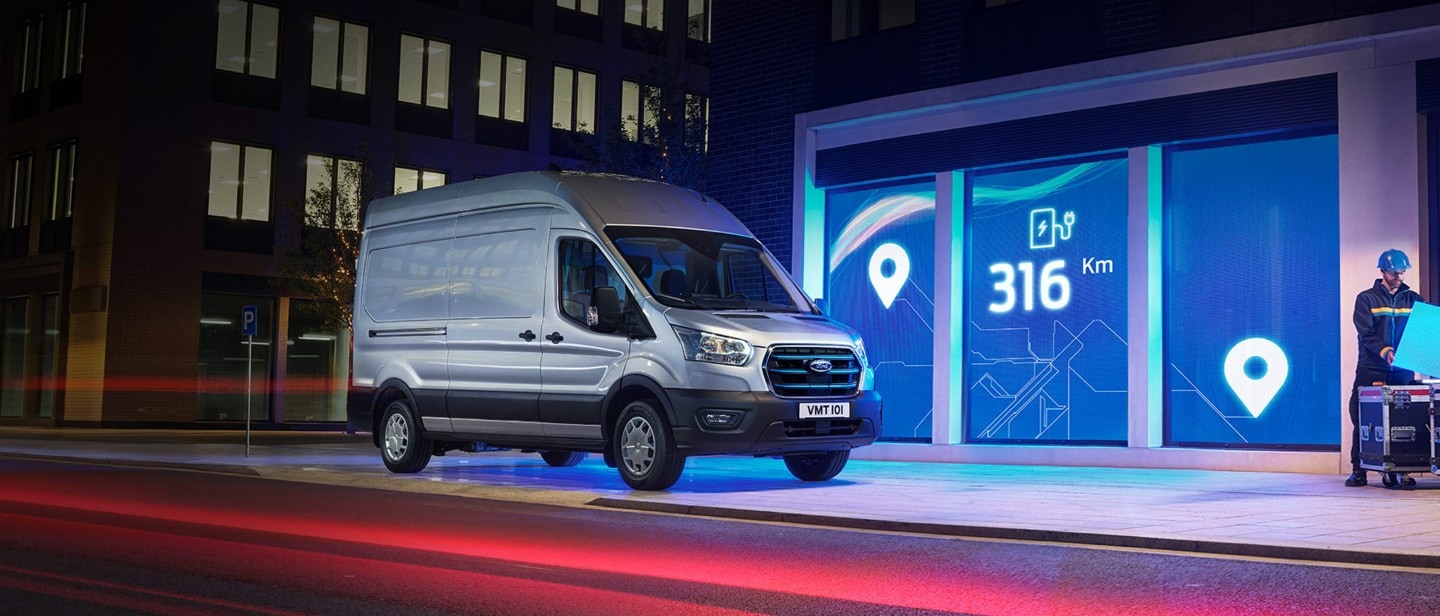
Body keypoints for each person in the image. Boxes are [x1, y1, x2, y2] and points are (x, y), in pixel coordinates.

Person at [1345, 249, 1426, 487]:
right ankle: (1358, 469)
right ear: (1382, 271)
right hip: (1372, 368)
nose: (1399, 276)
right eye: (1394, 272)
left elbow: (1424, 332)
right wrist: (1385, 351)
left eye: (1402, 272)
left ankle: (1399, 470)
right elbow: (1366, 333)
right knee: (1363, 419)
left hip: (1402, 370)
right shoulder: (1366, 298)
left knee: (1404, 419)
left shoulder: (1414, 299)